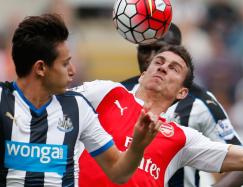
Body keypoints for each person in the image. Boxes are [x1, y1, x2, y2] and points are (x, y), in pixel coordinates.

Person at [78, 45, 243, 187]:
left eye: (174, 68)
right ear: (143, 74)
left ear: (182, 93)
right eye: (159, 61)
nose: (163, 67)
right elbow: (54, 103)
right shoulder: (107, 92)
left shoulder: (181, 138)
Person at [0, 14, 161, 187]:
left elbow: (117, 172)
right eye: (65, 64)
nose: (73, 70)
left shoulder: (77, 107)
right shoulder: (2, 99)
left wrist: (137, 145)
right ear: (40, 68)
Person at [121, 23, 243, 187]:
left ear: (177, 52)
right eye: (145, 49)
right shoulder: (117, 93)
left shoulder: (200, 102)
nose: (151, 57)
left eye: (160, 50)